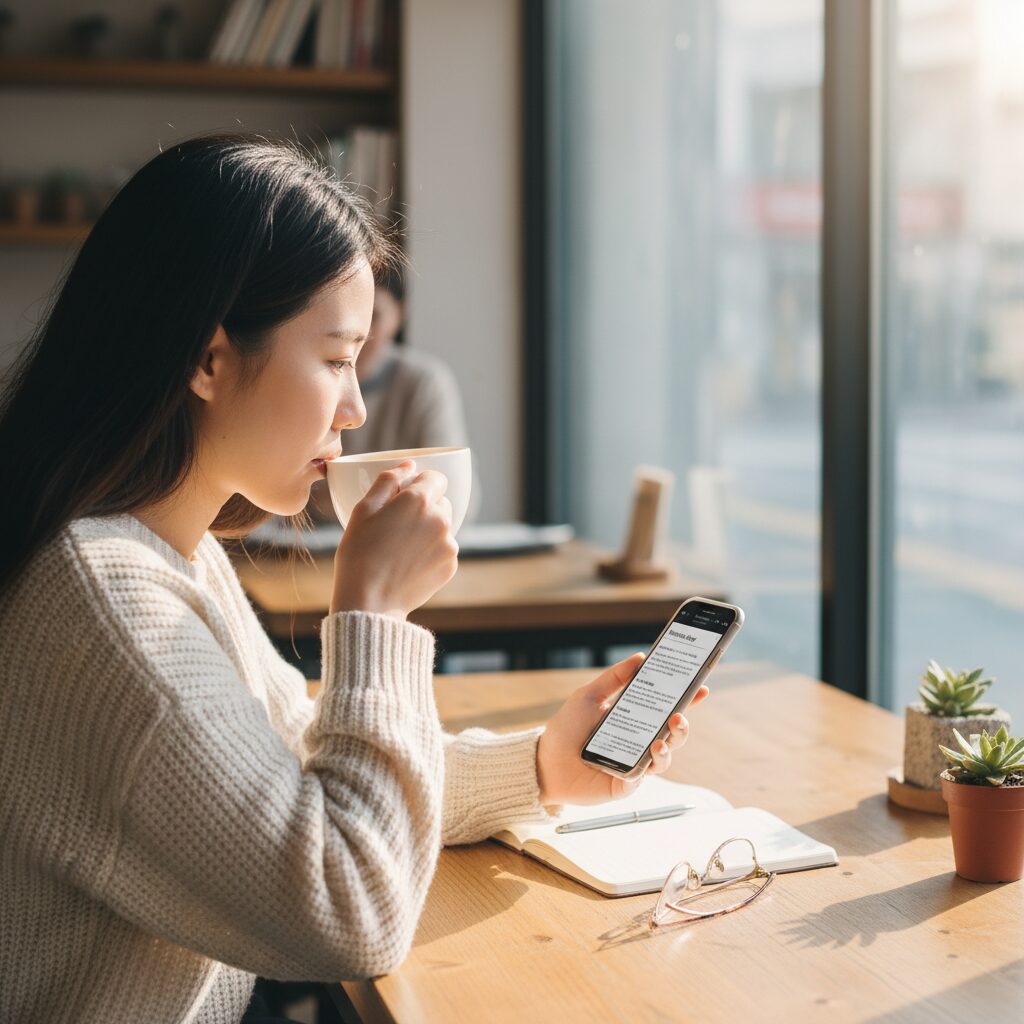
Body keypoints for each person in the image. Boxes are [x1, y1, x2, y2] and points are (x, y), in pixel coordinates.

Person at [0, 133, 705, 1024]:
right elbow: (353, 915)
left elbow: (298, 758)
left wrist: (541, 767)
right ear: (208, 358)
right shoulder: (100, 600)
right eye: (336, 359)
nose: (358, 407)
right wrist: (373, 612)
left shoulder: (166, 554)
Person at [306, 265, 481, 525]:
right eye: (345, 318)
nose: (360, 337)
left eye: (373, 316)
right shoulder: (305, 385)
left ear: (400, 314)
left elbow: (455, 496)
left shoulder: (423, 383)